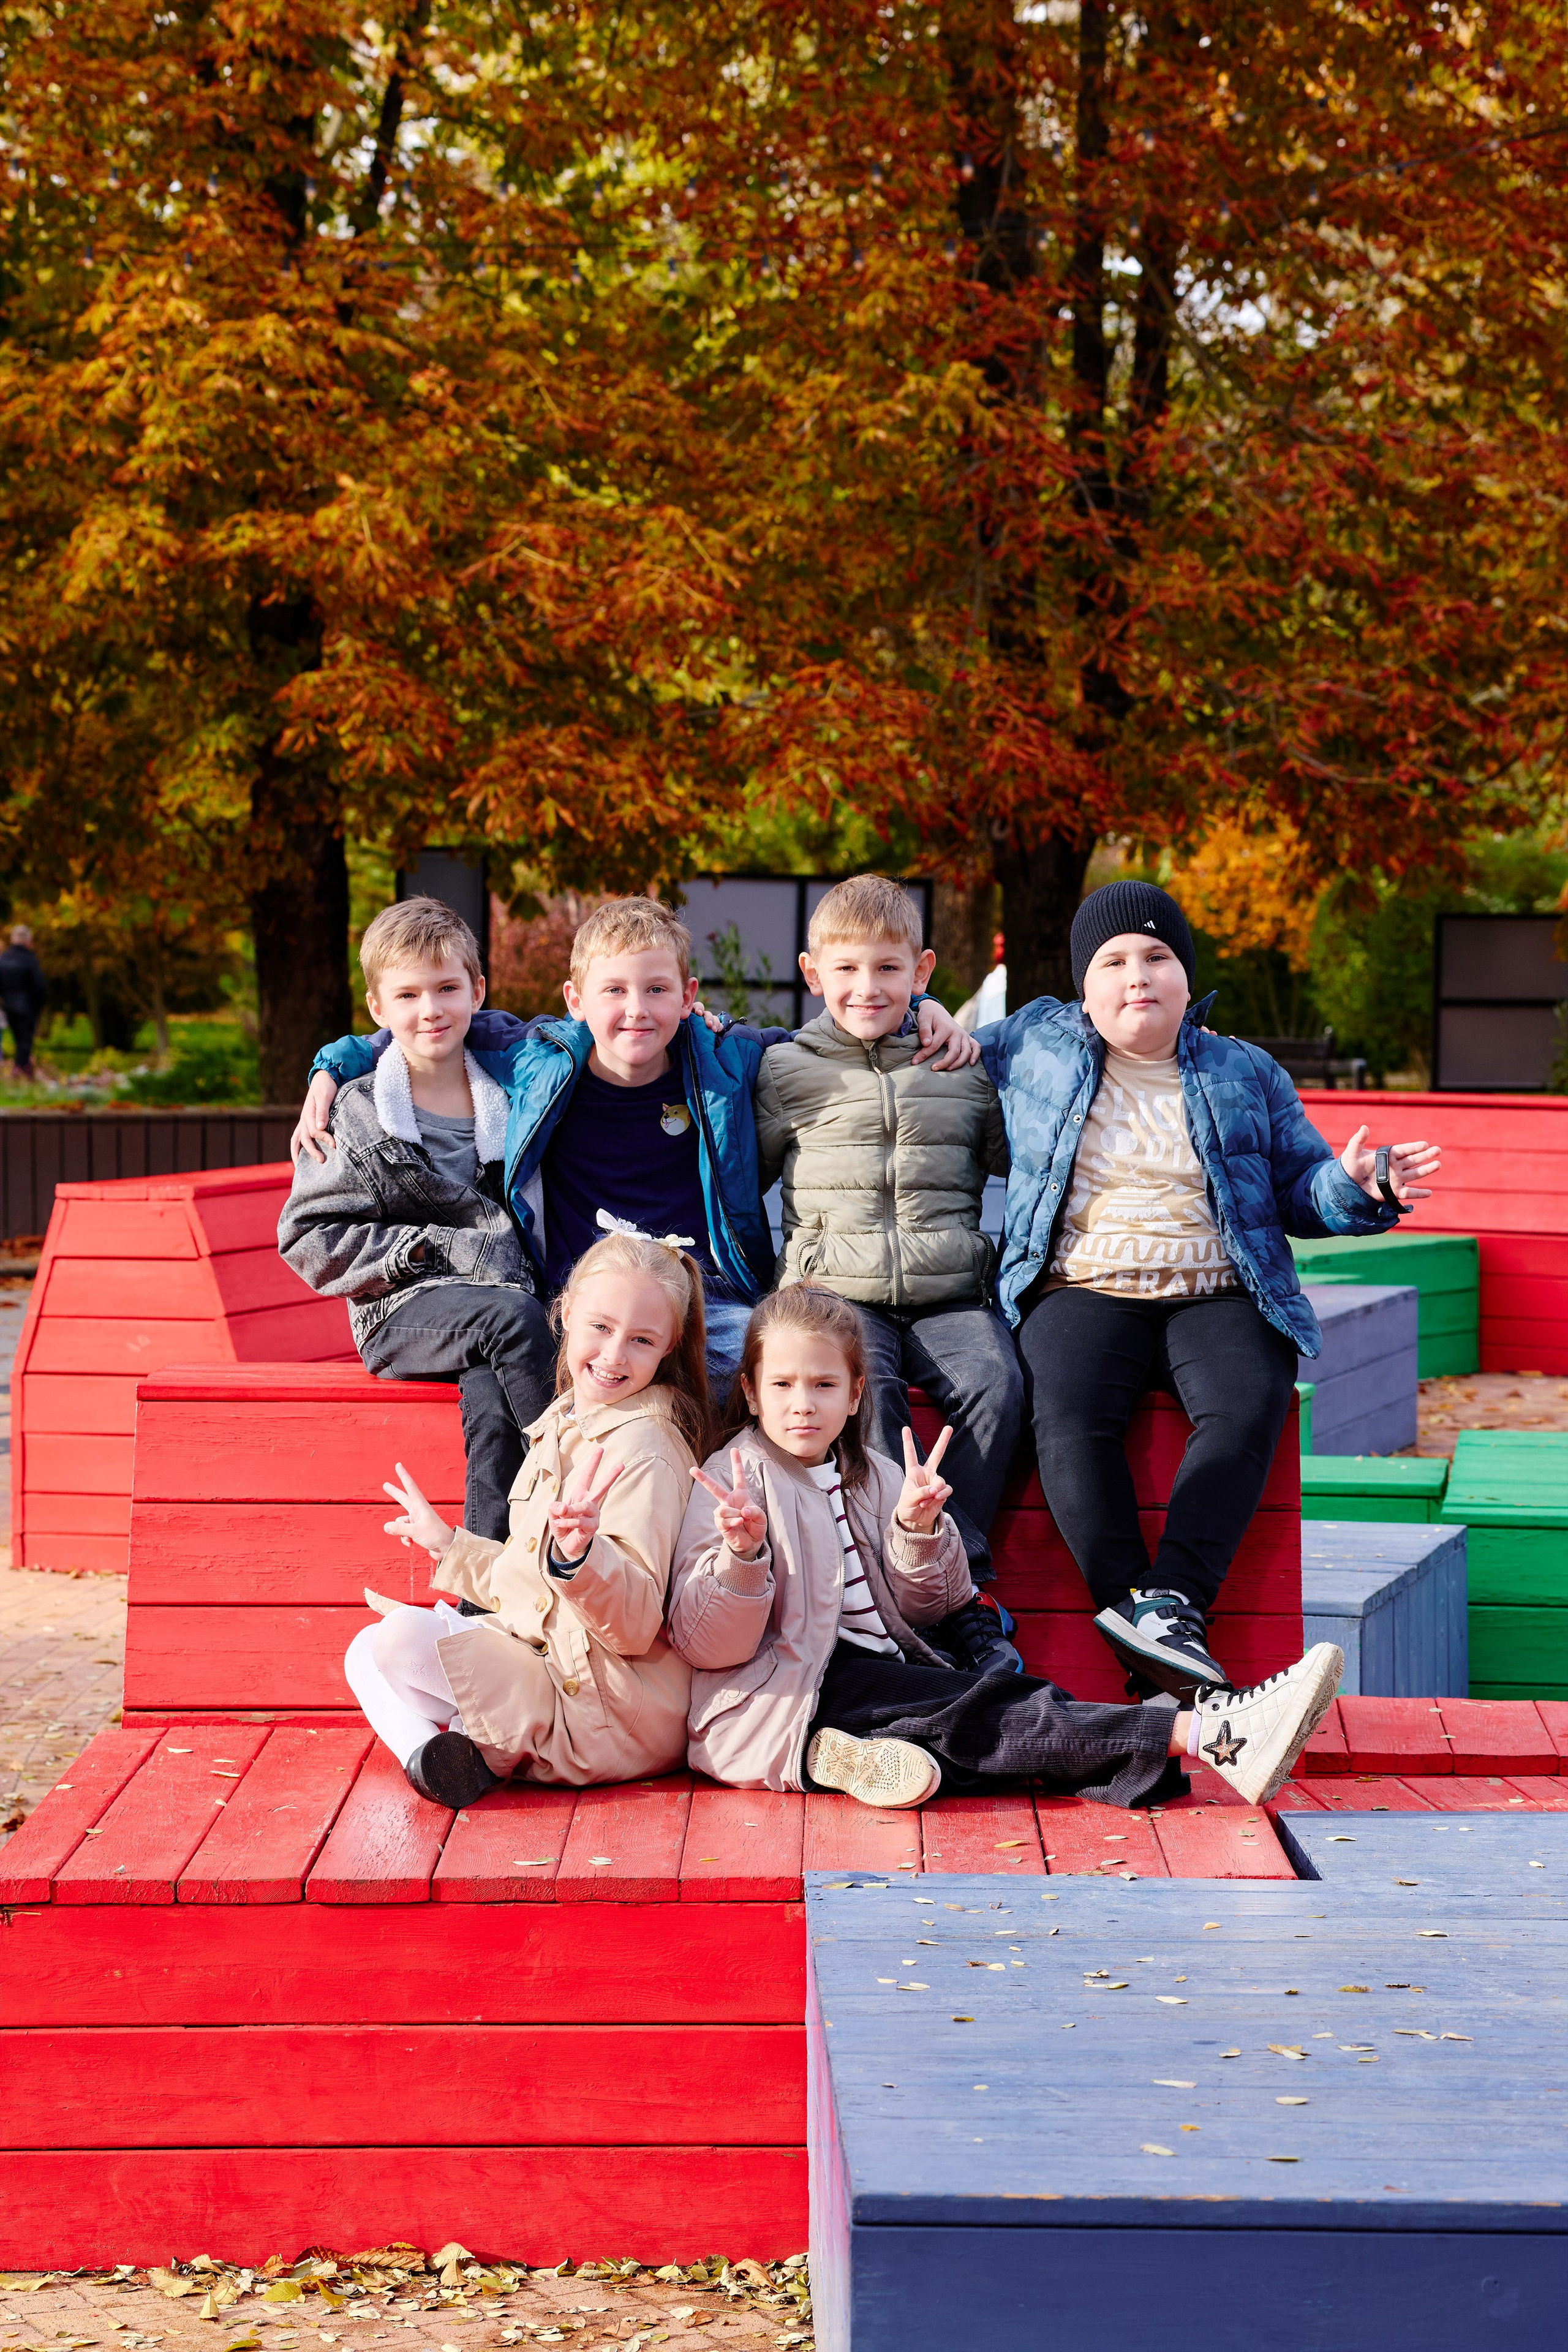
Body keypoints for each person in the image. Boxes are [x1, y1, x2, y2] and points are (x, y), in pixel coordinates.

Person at [979, 876, 1442, 1702]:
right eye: (1113, 961)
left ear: (1187, 977)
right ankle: (1135, 1614)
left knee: (1249, 1404)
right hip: (1083, 1286)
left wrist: (1354, 1185)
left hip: (1218, 1289)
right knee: (1068, 1417)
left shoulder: (1244, 1069)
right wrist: (924, 1017)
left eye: (1157, 956)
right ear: (1082, 987)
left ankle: (1174, 1603)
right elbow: (925, 1030)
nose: (1137, 976)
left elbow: (1301, 1188)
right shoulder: (1032, 1045)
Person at [668, 1284, 1343, 1810]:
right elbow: (707, 1646)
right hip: (789, 1695)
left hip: (879, 1676)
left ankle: (850, 1755)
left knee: (983, 1720)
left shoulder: (873, 1476)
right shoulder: (734, 1480)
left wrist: (918, 1532)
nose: (803, 1404)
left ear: (854, 1396)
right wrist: (742, 1558)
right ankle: (1210, 1733)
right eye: (782, 1385)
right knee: (990, 1709)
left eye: (823, 1385)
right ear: (750, 1392)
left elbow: (932, 1607)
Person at [291, 894, 976, 1401]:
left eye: (656, 990)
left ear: (688, 996)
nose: (636, 1010)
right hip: (582, 1305)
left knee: (776, 1375)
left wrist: (922, 1009)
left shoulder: (727, 1060)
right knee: (609, 1399)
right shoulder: (538, 1062)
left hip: (708, 1300)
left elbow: (839, 1030)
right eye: (613, 991)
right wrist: (332, 1063)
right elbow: (432, 1021)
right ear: (575, 999)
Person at [753, 872, 1023, 1678]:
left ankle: (956, 1584)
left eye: (887, 969)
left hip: (949, 1289)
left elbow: (1026, 1155)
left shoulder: (960, 1066)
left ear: (922, 970)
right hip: (836, 1293)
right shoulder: (786, 1069)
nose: (866, 987)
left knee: (997, 1383)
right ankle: (883, 1591)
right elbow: (737, 1176)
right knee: (863, 1393)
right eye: (845, 969)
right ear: (812, 974)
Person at [344, 1226, 711, 1810]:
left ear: (669, 1347)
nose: (615, 1355)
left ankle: (471, 1751)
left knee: (396, 1641)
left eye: (641, 1340)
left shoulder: (646, 1449)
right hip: (547, 1664)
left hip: (602, 1706)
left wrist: (581, 1556)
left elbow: (635, 1625)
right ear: (564, 1313)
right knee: (367, 1649)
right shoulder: (562, 1422)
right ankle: (444, 1761)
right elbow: (532, 1588)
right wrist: (450, 1546)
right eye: (601, 1327)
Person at [279, 897, 555, 1540]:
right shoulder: (355, 1113)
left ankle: (482, 1581)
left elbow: (588, 1031)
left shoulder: (515, 1096)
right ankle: (570, 1485)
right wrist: (422, 1251)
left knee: (491, 1399)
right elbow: (308, 1238)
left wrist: (705, 1027)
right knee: (516, 1320)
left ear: (477, 991)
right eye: (407, 995)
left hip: (495, 1314)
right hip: (400, 1313)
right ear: (378, 1009)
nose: (430, 1009)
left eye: (447, 989)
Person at [0, 925, 47, 1077]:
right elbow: (40, 986)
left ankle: (20, 1068)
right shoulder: (29, 959)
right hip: (27, 1007)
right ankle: (21, 1069)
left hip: (9, 1006)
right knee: (25, 1040)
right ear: (28, 941)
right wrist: (38, 1006)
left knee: (19, 1039)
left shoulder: (4, 959)